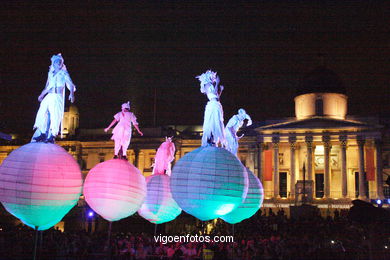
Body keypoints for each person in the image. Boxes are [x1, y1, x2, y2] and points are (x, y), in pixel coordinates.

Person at [32, 53, 76, 143]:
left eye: (60, 62)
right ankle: (43, 132)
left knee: (55, 115)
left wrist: (71, 94)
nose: (59, 63)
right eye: (57, 61)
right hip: (50, 95)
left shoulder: (63, 73)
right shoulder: (50, 74)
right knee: (42, 111)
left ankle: (52, 134)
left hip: (57, 96)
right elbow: (47, 87)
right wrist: (41, 95)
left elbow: (70, 84)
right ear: (54, 63)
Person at [196, 70, 225, 147]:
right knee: (212, 123)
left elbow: (217, 97)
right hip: (213, 105)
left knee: (217, 122)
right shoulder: (207, 85)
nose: (214, 78)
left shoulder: (211, 85)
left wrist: (221, 90)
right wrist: (217, 83)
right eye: (213, 77)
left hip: (216, 104)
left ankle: (214, 140)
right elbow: (214, 93)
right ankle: (209, 139)